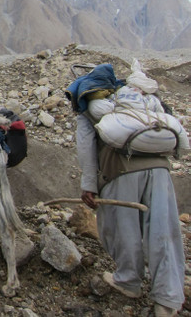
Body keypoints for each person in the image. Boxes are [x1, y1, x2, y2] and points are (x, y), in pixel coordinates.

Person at [69, 62, 187, 316]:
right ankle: (167, 301)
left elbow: (86, 148)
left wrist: (89, 185)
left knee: (121, 228)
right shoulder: (140, 102)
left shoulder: (90, 108)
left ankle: (128, 280)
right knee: (163, 230)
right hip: (160, 170)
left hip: (119, 171)